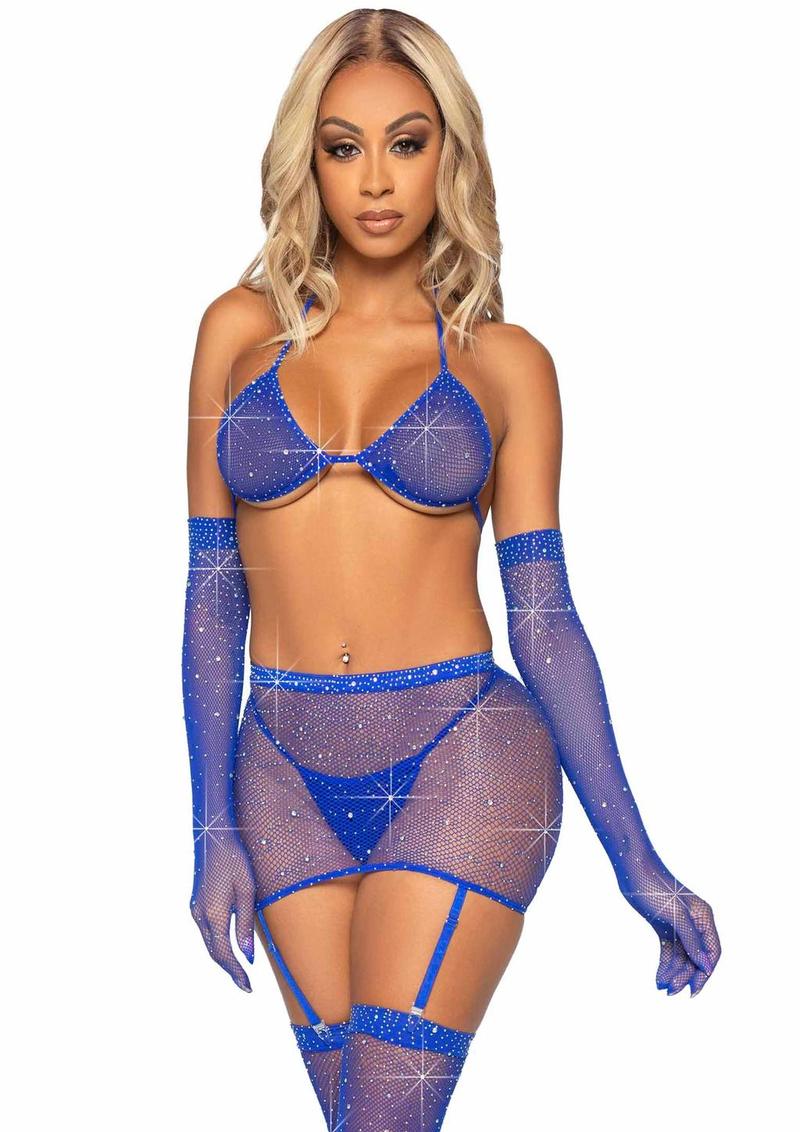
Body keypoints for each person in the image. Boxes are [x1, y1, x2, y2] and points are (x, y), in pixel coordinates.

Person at [181, 9, 721, 1129]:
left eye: (407, 142)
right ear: (308, 160)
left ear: (450, 155)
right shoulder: (232, 333)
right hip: (278, 767)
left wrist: (638, 862)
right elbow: (210, 591)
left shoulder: (506, 364)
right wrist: (209, 824)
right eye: (343, 147)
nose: (376, 180)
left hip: (463, 752)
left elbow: (544, 619)